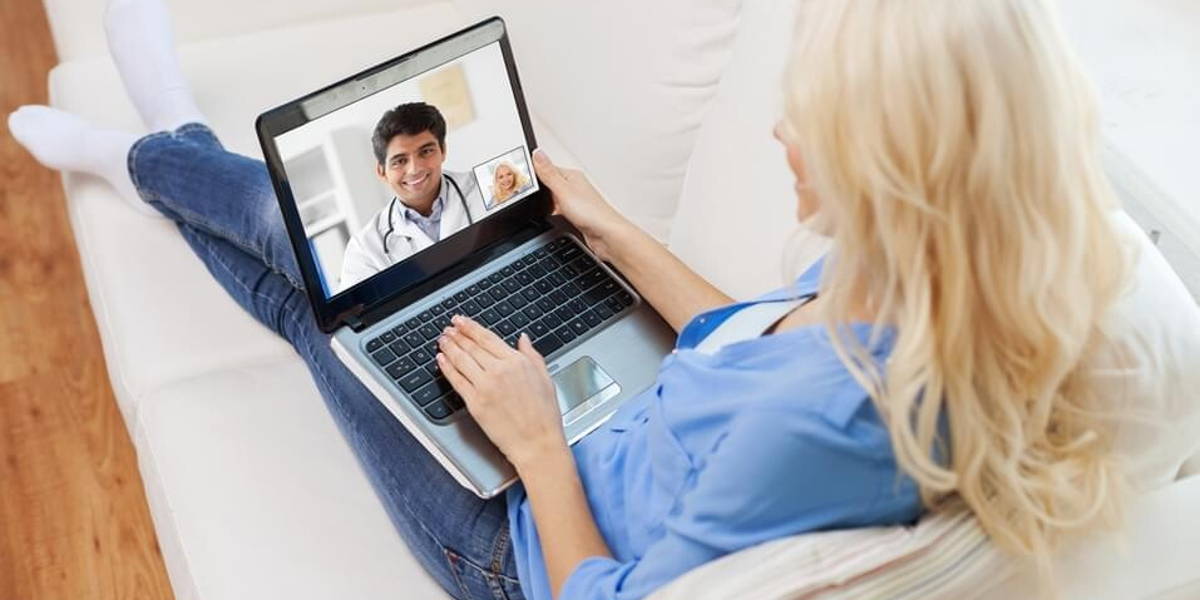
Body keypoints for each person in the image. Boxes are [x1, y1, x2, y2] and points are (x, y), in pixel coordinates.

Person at [8, 0, 1149, 598]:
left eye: (817, 118)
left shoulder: (824, 432)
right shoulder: (926, 287)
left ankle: (149, 143)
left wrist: (538, 444)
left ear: (899, 163)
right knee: (338, 277)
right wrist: (608, 226)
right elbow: (745, 345)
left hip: (517, 536)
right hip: (609, 422)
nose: (781, 130)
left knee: (323, 302)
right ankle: (165, 135)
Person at [338, 102, 486, 292]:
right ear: (382, 172)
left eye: (426, 151)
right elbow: (360, 308)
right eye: (400, 161)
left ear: (443, 151)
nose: (415, 169)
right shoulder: (365, 249)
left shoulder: (490, 185)